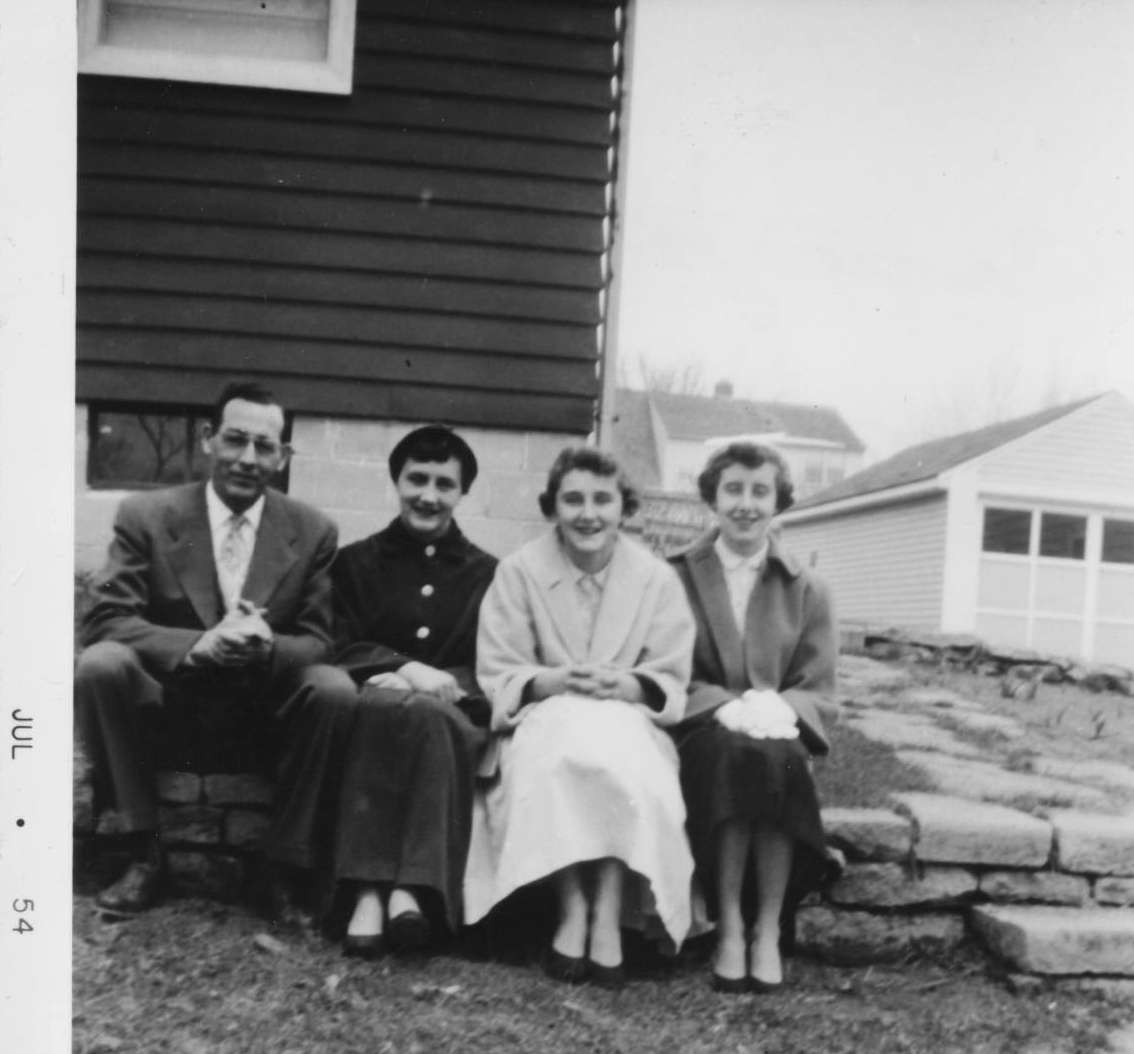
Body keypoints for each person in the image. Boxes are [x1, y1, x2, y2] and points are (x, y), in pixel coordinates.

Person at [76, 380, 349, 918]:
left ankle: (282, 868)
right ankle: (142, 853)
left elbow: (321, 641)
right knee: (101, 664)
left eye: (264, 446)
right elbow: (105, 618)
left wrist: (267, 646)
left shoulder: (313, 530)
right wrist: (197, 644)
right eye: (235, 440)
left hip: (261, 714)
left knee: (334, 690)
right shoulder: (146, 516)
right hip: (168, 707)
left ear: (283, 456)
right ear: (207, 439)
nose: (248, 459)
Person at [464, 446, 695, 985]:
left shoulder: (656, 578)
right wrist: (551, 681)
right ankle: (571, 904)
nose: (588, 513)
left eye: (602, 500)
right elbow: (498, 667)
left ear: (624, 507)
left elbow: (671, 672)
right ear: (553, 507)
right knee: (562, 753)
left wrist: (629, 683)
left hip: (627, 715)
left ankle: (609, 906)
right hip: (545, 714)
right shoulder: (520, 572)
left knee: (623, 758)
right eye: (573, 500)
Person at [669, 440, 838, 993]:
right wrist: (722, 705)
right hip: (702, 733)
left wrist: (780, 707)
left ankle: (767, 927)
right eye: (733, 490)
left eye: (759, 491)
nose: (746, 504)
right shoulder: (674, 576)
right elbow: (665, 668)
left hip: (778, 734)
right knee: (735, 754)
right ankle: (730, 927)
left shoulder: (807, 588)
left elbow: (818, 685)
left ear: (778, 501)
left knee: (775, 758)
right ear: (712, 499)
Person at [327, 425, 498, 958]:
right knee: (384, 712)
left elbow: (492, 659)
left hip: (450, 711)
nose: (429, 494)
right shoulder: (355, 563)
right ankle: (372, 895)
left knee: (428, 718)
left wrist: (437, 683)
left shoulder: (487, 574)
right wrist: (401, 669)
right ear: (396, 481)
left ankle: (408, 891)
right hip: (373, 699)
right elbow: (336, 640)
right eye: (416, 479)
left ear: (462, 493)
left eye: (444, 484)